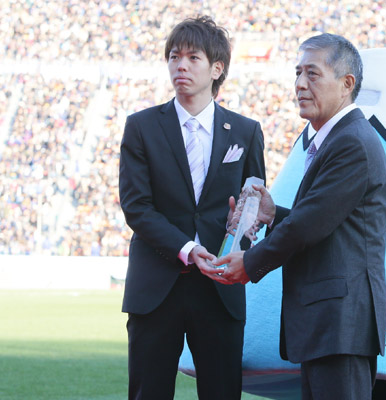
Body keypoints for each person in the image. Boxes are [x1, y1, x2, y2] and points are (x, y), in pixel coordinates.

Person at [215, 33, 386, 400]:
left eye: (312, 73)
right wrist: (272, 214)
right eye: (297, 73)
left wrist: (250, 262)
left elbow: (309, 224)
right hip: (328, 323)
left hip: (340, 322)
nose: (299, 84)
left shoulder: (351, 142)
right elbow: (326, 221)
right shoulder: (336, 138)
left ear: (347, 84)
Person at [118, 16, 265, 399]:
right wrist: (187, 248)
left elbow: (254, 204)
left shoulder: (246, 131)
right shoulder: (141, 127)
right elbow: (137, 207)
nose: (180, 65)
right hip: (157, 285)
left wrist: (246, 230)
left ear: (217, 68)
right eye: (174, 56)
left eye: (192, 57)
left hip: (220, 287)